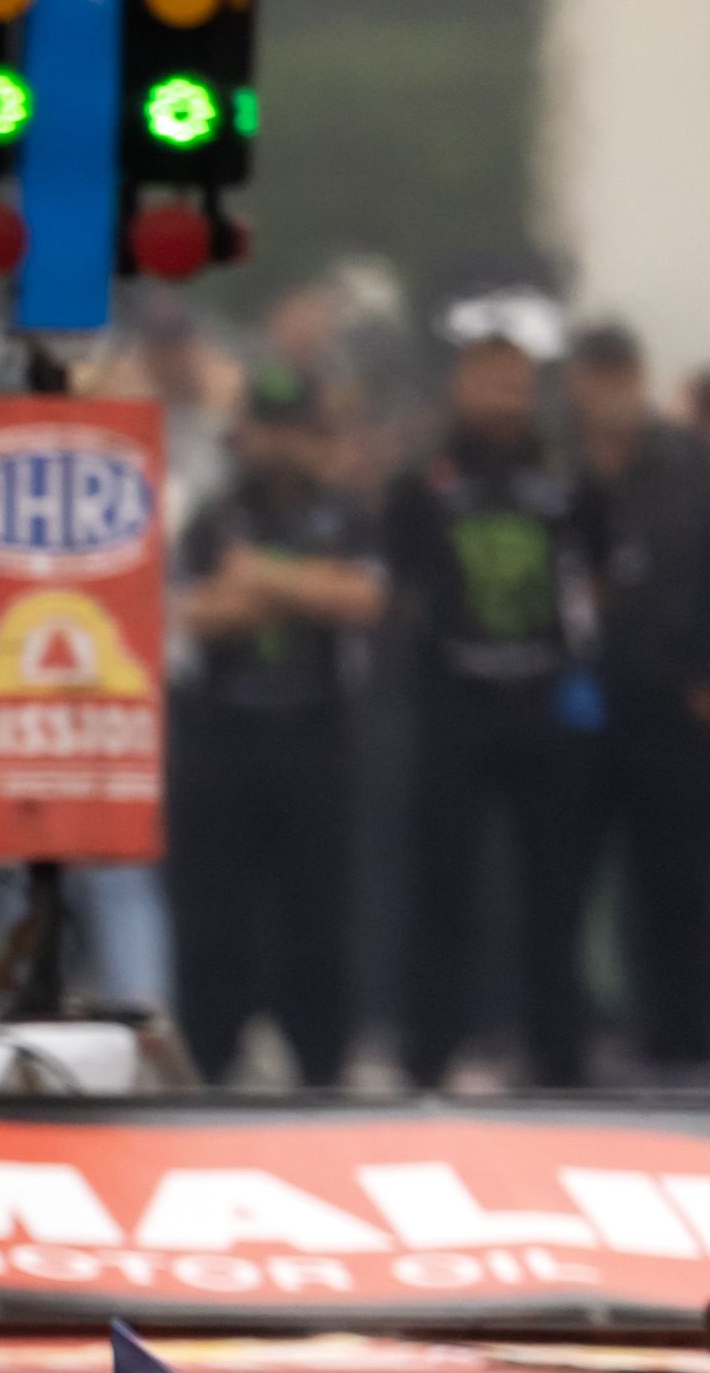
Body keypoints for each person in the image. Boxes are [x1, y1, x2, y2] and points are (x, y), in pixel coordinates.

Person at [387, 300, 602, 1088]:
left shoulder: (566, 481)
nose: (501, 398)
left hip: (545, 704)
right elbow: (396, 590)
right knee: (443, 887)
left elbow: (599, 578)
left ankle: (558, 1059)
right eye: (487, 381)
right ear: (459, 385)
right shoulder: (424, 483)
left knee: (555, 893)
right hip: (455, 702)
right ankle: (430, 1056)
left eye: (515, 383)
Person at [170, 366, 383, 1085]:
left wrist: (262, 578)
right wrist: (302, 587)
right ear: (248, 434)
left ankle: (320, 1063)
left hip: (315, 733)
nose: (282, 446)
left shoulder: (345, 514)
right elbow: (195, 613)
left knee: (318, 917)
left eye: (296, 431)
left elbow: (362, 598)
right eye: (270, 430)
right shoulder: (215, 514)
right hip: (223, 736)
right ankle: (211, 1058)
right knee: (214, 918)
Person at [565, 320, 710, 1078]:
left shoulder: (686, 464)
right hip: (580, 710)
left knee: (676, 881)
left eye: (620, 373)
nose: (608, 390)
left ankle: (684, 1042)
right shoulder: (563, 465)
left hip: (673, 706)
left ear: (639, 376)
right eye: (595, 373)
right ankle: (569, 1041)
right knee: (568, 882)